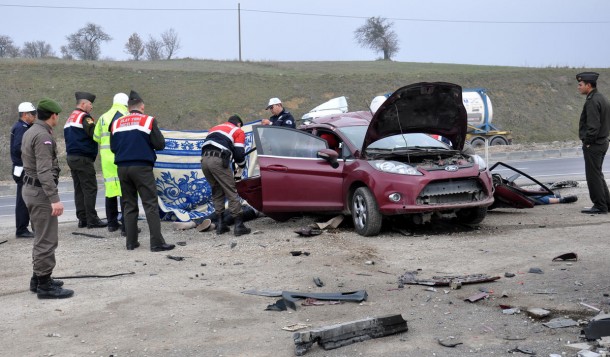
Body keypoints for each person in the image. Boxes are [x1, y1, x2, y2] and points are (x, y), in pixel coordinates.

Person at [110, 90, 175, 252]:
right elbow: (160, 144)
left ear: (128, 107)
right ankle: (157, 243)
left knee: (129, 205)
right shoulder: (148, 121)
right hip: (142, 168)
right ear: (142, 107)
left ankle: (131, 243)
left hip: (122, 168)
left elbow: (113, 147)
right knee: (150, 204)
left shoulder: (117, 122)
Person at [21, 98, 74, 299]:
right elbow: (44, 171)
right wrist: (54, 198)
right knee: (47, 240)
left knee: (40, 236)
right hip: (41, 193)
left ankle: (38, 279)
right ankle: (45, 286)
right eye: (57, 115)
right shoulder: (43, 136)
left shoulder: (30, 131)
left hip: (31, 189)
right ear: (53, 115)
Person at [200, 114, 251, 236]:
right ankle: (239, 226)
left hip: (204, 161)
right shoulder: (237, 130)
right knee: (231, 190)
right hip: (217, 160)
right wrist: (242, 165)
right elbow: (239, 155)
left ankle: (221, 225)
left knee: (217, 190)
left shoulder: (215, 128)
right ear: (238, 124)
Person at [64, 91, 107, 228]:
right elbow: (94, 134)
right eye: (90, 104)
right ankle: (92, 219)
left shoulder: (71, 118)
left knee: (79, 189)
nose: (91, 107)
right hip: (83, 158)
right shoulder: (84, 117)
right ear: (83, 104)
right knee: (90, 188)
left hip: (72, 157)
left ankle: (82, 218)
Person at [93, 93, 129, 233]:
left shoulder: (103, 117)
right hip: (121, 157)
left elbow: (96, 137)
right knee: (125, 191)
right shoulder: (125, 115)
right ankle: (127, 225)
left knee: (110, 191)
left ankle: (112, 224)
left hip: (107, 159)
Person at [576, 72, 610, 214]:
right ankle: (607, 204)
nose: (578, 87)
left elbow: (593, 126)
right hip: (603, 141)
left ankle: (600, 206)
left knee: (592, 176)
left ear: (588, 85)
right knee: (597, 174)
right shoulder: (601, 98)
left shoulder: (592, 101)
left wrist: (588, 142)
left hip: (594, 144)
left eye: (580, 84)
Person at [10, 102, 37, 238]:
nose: (35, 116)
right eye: (33, 114)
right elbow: (18, 148)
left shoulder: (23, 127)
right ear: (25, 114)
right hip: (22, 168)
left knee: (24, 198)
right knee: (23, 199)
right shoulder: (21, 128)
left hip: (21, 167)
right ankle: (21, 229)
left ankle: (23, 227)